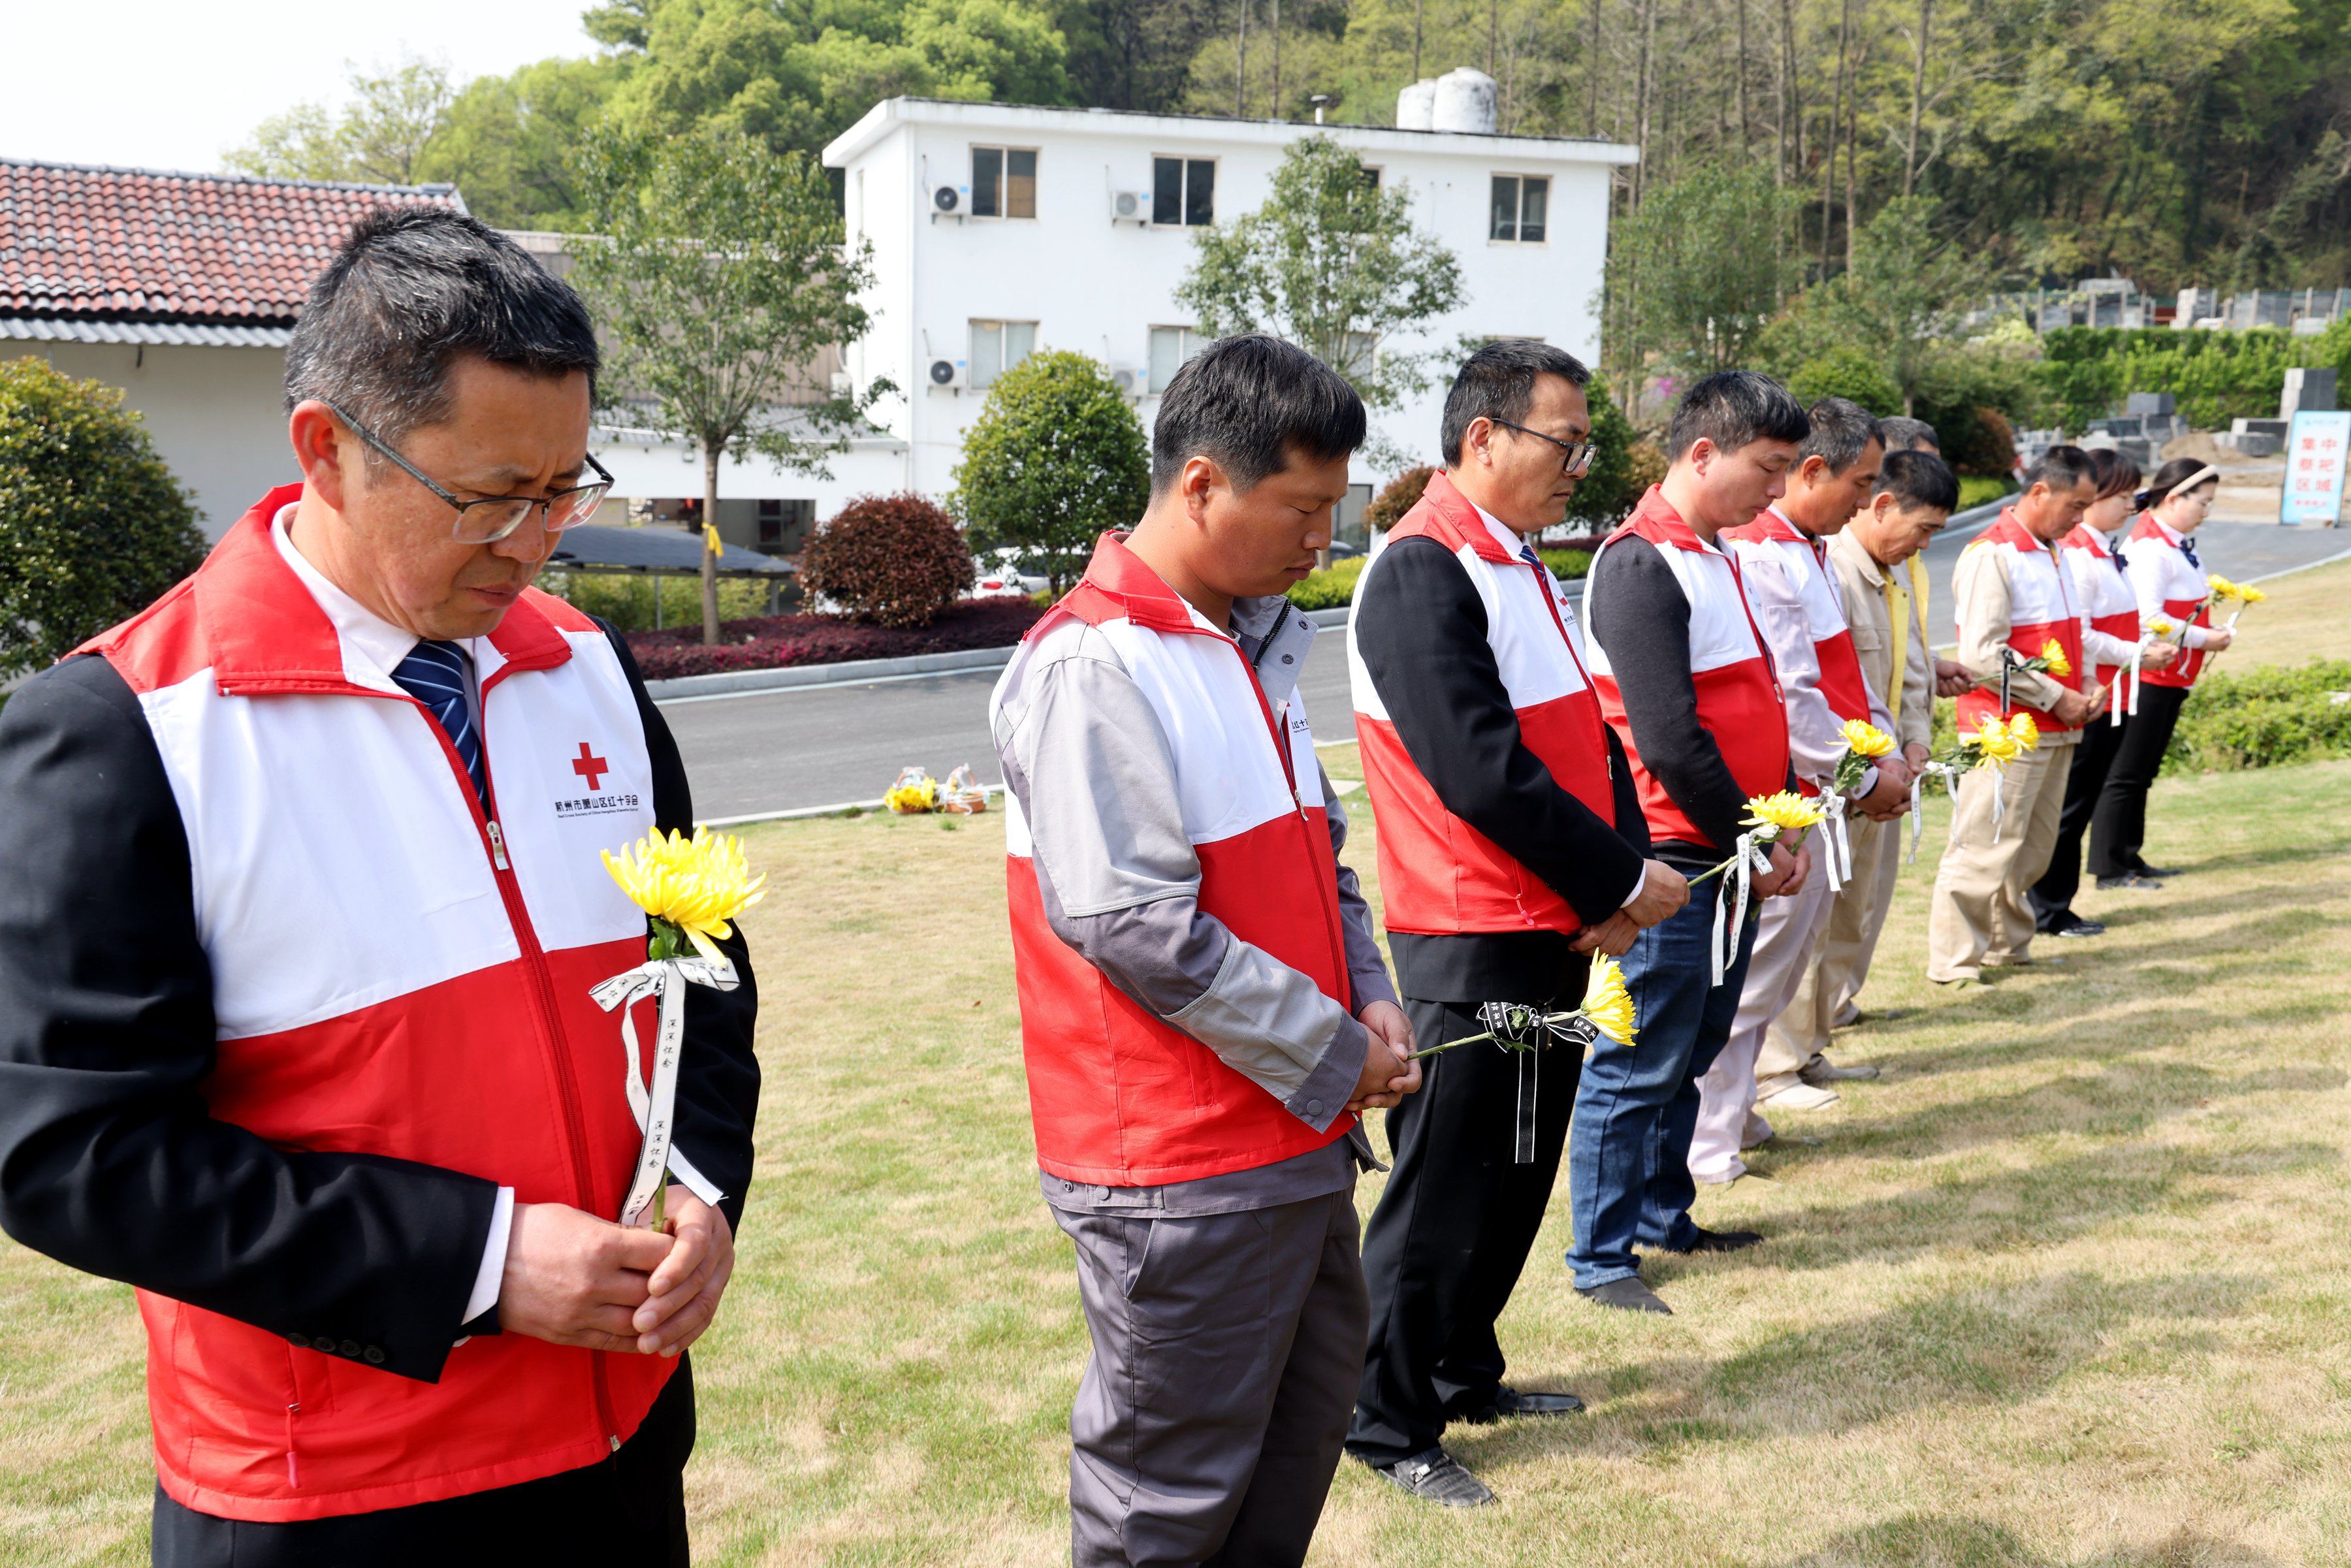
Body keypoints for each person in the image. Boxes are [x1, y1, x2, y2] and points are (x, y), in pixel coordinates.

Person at [0, 208, 760, 1565]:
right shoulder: (126, 732)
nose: (534, 543)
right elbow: (75, 1156)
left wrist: (701, 1184)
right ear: (326, 450)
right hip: (335, 1496)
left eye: (565, 487)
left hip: (620, 1448)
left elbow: (700, 968)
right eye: (490, 496)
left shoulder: (589, 668)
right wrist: (478, 1260)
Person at [988, 334, 1420, 1567]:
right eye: (1301, 509)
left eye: (1334, 510)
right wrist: (1333, 1049)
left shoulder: (1248, 641)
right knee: (1166, 1507)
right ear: (1200, 485)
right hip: (1182, 1166)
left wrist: (1371, 995)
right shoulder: (1092, 663)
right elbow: (1136, 926)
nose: (1322, 541)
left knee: (1289, 1454)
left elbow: (1319, 856)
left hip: (1292, 1133)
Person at [1341, 342, 1687, 1507]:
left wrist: (1620, 872)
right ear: (1482, 436)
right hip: (1472, 925)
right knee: (1447, 1182)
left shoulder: (1516, 560)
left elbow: (1590, 738)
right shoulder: (1422, 568)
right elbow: (1478, 770)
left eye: (1587, 444)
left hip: (1553, 919)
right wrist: (1616, 882)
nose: (1580, 466)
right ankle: (1385, 1420)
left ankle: (1459, 1369)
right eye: (1564, 442)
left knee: (1519, 1169)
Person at [1575, 370, 1812, 1315]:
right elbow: (1671, 740)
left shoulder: (1717, 553)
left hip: (1729, 851)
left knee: (1694, 1043)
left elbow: (1752, 704)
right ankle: (1600, 1256)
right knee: (1637, 1058)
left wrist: (1780, 822)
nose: (1778, 489)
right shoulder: (1641, 564)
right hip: (1675, 857)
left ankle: (1662, 1215)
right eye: (1769, 467)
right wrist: (1758, 836)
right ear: (1704, 453)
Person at [1691, 398, 1908, 1183]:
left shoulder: (1805, 552)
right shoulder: (1763, 554)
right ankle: (1708, 1138)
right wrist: (1867, 773)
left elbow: (1845, 678)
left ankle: (1736, 1111)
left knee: (1781, 968)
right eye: (1862, 483)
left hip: (1823, 792)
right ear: (1812, 471)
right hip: (1786, 798)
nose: (1865, 500)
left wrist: (1882, 755)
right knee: (1753, 975)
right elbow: (1794, 697)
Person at [1770, 451, 1952, 1082]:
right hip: (1837, 779)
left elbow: (1906, 672)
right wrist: (1868, 770)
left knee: (1852, 921)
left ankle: (1811, 1046)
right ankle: (1778, 1066)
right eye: (1923, 528)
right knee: (1808, 930)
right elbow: (1808, 692)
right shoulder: (1830, 568)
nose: (1924, 544)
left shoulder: (1883, 571)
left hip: (1879, 772)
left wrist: (1909, 747)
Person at [1927, 446, 2109, 987]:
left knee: (2032, 849)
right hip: (2004, 728)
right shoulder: (1993, 554)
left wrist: (2087, 682)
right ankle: (1954, 962)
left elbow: (2074, 630)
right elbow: (1984, 654)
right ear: (2039, 491)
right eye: (2076, 505)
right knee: (1983, 846)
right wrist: (2056, 696)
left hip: (2055, 724)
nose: (2081, 518)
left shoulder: (2057, 551)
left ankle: (2008, 945)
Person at [2029, 450, 2183, 932]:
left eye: (2132, 495)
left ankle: (2057, 905)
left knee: (2078, 809)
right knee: (2068, 812)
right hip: (2091, 696)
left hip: (2112, 695)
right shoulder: (2078, 554)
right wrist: (2139, 653)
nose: (2130, 506)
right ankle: (2048, 909)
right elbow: (2081, 635)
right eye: (2121, 495)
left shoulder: (2103, 551)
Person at [2088, 459, 2230, 889]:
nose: (2206, 511)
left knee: (2142, 772)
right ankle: (2111, 868)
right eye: (2202, 502)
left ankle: (2129, 855)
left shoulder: (2176, 543)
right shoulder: (2150, 546)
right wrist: (2204, 638)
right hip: (2149, 674)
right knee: (2125, 773)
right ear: (2173, 498)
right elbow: (2149, 618)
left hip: (2171, 673)